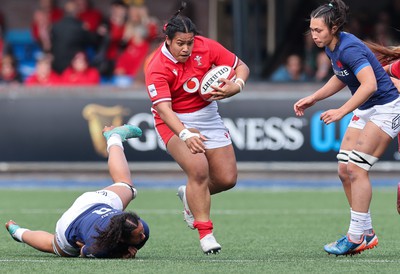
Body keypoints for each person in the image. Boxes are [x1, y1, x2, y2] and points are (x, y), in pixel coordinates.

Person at [293, 0, 400, 256]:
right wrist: (315, 97)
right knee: (344, 169)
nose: (314, 35)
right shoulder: (333, 47)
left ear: (335, 27)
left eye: (319, 30)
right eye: (312, 29)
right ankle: (367, 233)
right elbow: (342, 76)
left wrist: (341, 111)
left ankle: (354, 237)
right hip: (367, 109)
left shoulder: (349, 48)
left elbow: (369, 85)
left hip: (387, 107)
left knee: (356, 168)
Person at [144, 2, 250, 254]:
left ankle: (190, 196)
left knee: (227, 178)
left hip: (207, 114)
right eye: (180, 43)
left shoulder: (205, 46)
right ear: (168, 40)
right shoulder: (156, 66)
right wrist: (184, 133)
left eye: (190, 42)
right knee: (199, 170)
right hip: (173, 119)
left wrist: (237, 86)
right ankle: (206, 234)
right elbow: (164, 109)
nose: (187, 48)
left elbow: (241, 67)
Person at [5, 124, 149, 259]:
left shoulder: (140, 227)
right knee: (54, 245)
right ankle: (17, 232)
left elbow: (134, 235)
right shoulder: (98, 247)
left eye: (141, 232)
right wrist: (118, 253)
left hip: (94, 202)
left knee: (125, 185)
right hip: (71, 222)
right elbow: (83, 251)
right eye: (139, 234)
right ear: (122, 238)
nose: (143, 236)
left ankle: (114, 136)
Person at [50, 0, 95, 74]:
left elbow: (51, 46)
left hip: (57, 67)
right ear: (76, 12)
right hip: (74, 68)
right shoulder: (80, 27)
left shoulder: (55, 26)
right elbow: (92, 41)